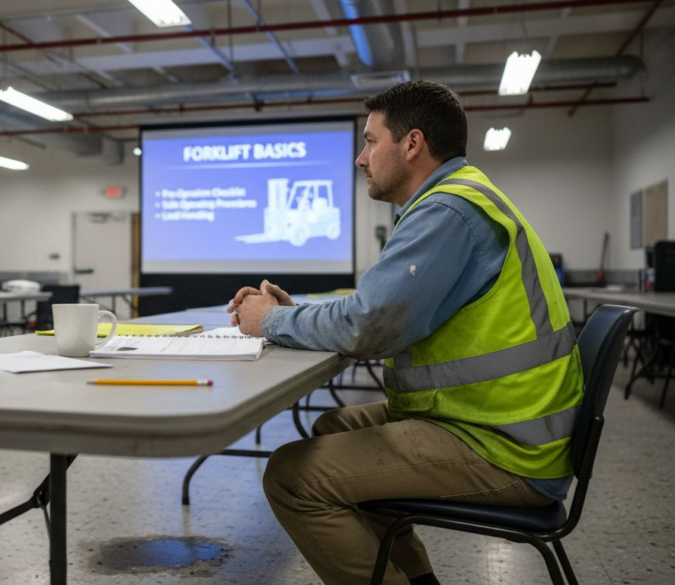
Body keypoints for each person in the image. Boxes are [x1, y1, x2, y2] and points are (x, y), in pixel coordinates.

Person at [227, 80, 582, 585]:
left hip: (505, 446)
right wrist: (295, 314)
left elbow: (370, 327)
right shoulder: (456, 201)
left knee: (292, 478)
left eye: (371, 142)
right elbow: (380, 311)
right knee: (333, 428)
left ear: (412, 144)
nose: (360, 158)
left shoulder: (448, 212)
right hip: (497, 420)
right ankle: (416, 579)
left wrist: (272, 321)